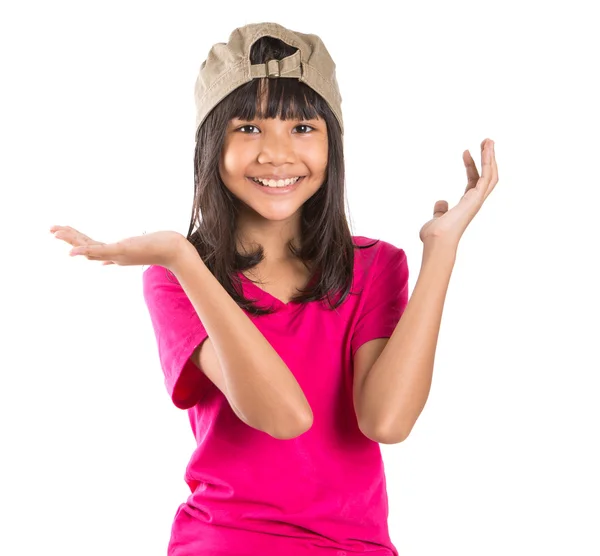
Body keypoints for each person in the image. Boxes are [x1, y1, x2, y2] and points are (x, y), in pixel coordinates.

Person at [50, 21, 498, 556]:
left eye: (303, 128)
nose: (277, 153)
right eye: (249, 128)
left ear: (333, 143)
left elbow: (387, 420)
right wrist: (181, 257)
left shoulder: (375, 266)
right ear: (211, 146)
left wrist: (441, 250)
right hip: (224, 543)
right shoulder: (176, 276)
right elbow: (284, 416)